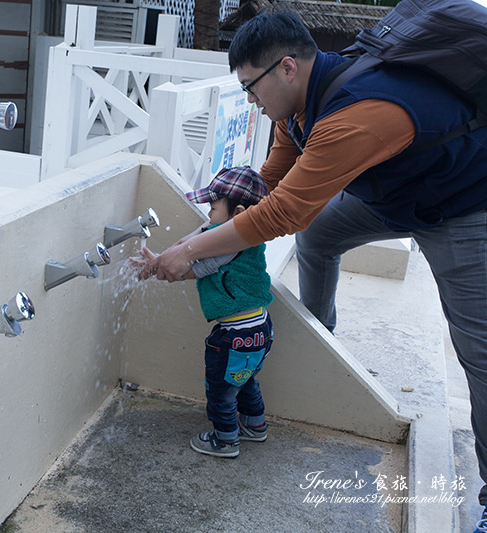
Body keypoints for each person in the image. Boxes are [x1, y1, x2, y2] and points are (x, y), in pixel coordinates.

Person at [142, 10, 487, 529]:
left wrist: (189, 255)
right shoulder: (296, 112)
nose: (251, 104)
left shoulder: (356, 114)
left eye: (251, 89)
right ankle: (321, 332)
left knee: (479, 356)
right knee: (322, 234)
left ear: (286, 68)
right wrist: (199, 233)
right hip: (395, 195)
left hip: (462, 206)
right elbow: (266, 188)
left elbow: (283, 213)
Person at [132, 166, 274, 458]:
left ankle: (225, 439)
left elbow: (194, 268)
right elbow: (193, 240)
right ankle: (255, 425)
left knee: (221, 389)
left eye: (212, 206)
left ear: (237, 212)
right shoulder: (243, 236)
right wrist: (160, 259)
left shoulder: (229, 243)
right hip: (260, 326)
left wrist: (159, 268)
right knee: (244, 379)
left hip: (235, 333)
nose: (208, 213)